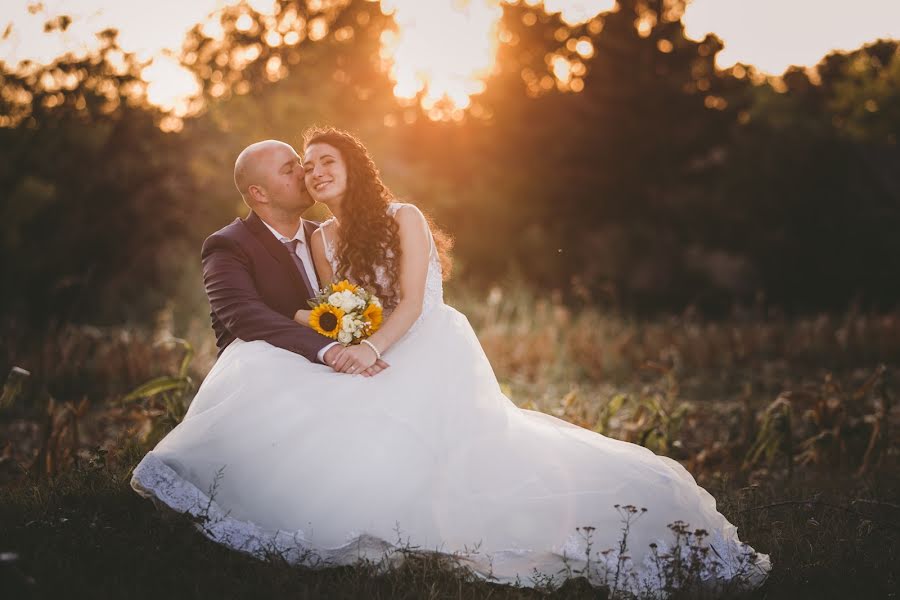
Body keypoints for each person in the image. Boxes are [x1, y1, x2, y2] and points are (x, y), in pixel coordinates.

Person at [131, 128, 771, 595]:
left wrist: (368, 348)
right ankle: (334, 518)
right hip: (364, 347)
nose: (312, 173)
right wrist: (341, 342)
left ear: (353, 166)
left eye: (322, 162)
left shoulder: (403, 215)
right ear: (265, 189)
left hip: (425, 342)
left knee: (474, 449)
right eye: (302, 166)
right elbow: (328, 307)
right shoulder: (313, 240)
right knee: (340, 418)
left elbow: (408, 303)